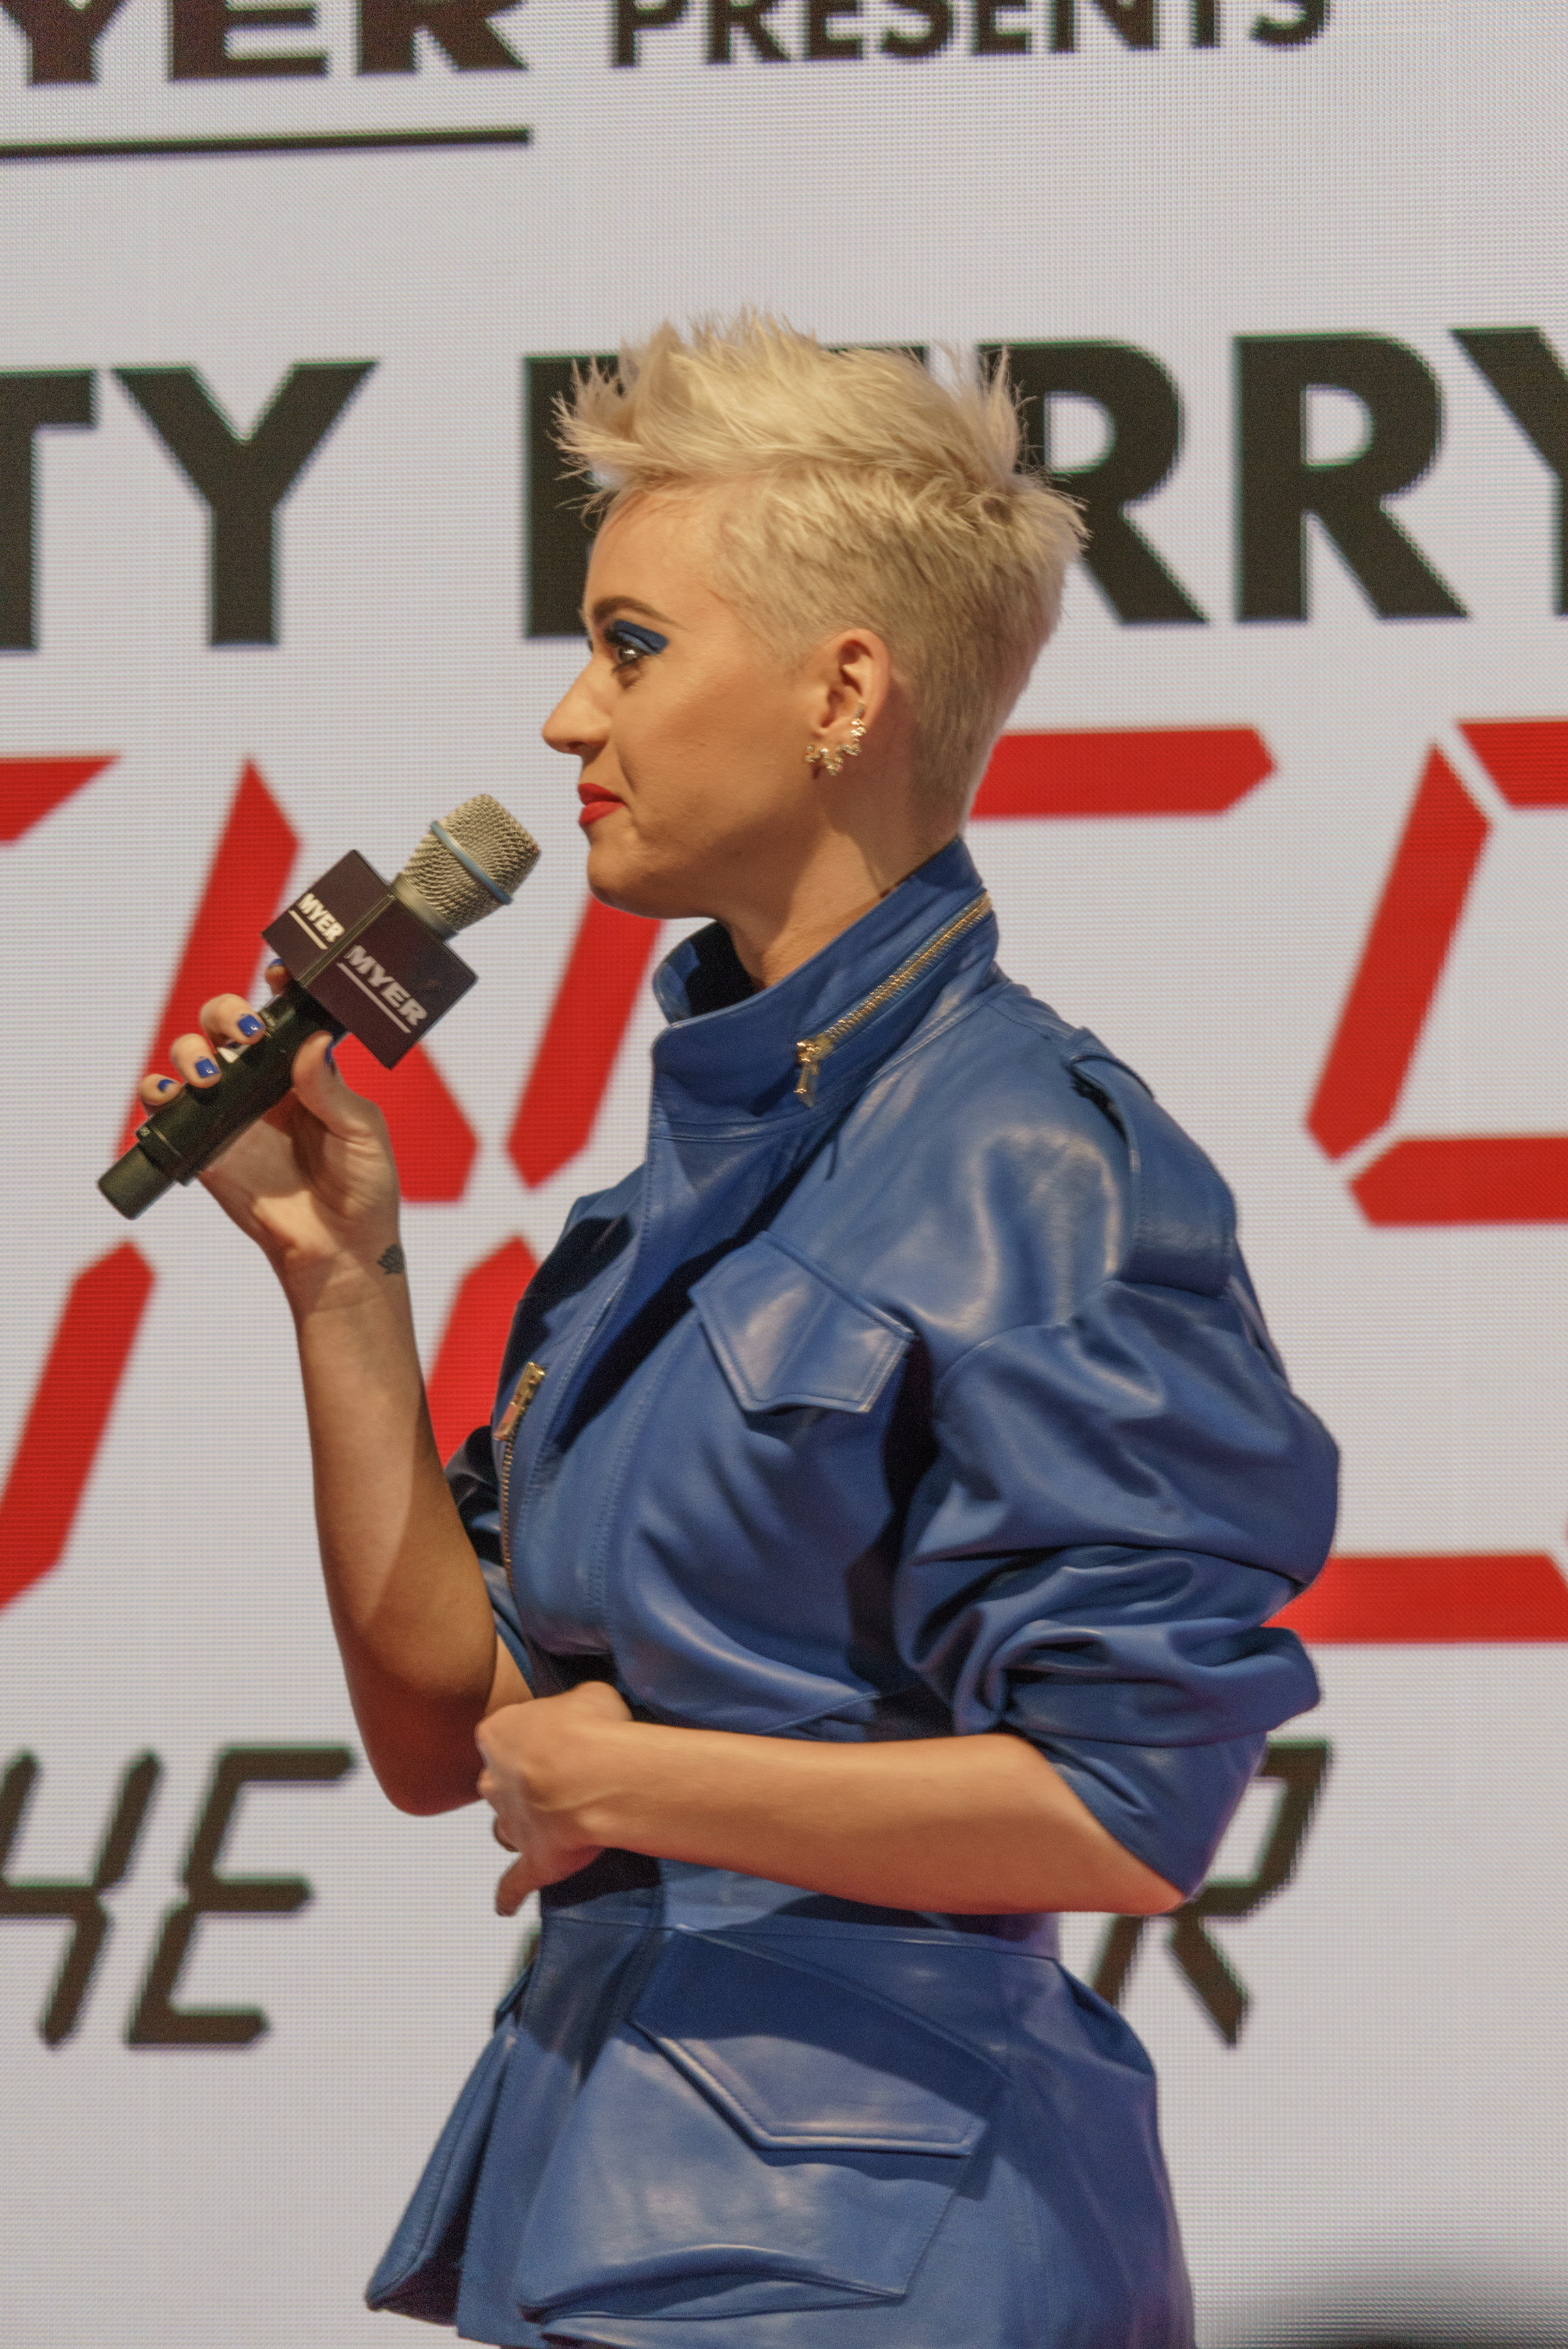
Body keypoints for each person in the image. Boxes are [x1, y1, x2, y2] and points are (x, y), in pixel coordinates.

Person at [142, 316, 1337, 2349]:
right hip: (621, 2193)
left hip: (889, 2247)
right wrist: (341, 1280)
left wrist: (644, 1787)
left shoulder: (1035, 1167)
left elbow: (1131, 1807)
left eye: (629, 648)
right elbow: (455, 1734)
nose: (566, 719)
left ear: (840, 695)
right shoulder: (674, 1196)